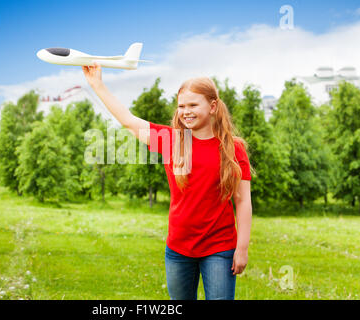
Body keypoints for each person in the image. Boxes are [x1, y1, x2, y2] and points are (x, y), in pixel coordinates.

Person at [82, 62, 253, 300]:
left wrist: (242, 248)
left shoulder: (233, 149)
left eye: (193, 105)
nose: (186, 111)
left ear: (213, 106)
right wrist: (97, 84)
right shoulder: (172, 141)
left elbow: (242, 201)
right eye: (181, 106)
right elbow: (129, 121)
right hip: (178, 248)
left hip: (219, 247)